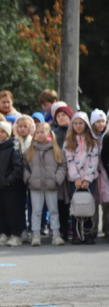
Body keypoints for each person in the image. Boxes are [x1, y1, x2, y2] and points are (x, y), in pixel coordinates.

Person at [23, 122, 67, 246]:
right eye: (38, 132)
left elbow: (62, 165)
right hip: (35, 185)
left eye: (42, 132)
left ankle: (56, 234)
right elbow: (24, 166)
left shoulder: (55, 149)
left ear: (48, 133)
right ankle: (36, 234)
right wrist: (29, 178)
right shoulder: (30, 150)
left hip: (51, 185)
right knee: (36, 211)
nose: (40, 134)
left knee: (53, 210)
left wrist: (57, 178)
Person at [63, 112, 98, 244]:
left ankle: (88, 234)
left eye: (81, 123)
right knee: (76, 207)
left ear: (86, 124)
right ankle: (77, 235)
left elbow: (93, 159)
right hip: (75, 181)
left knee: (88, 206)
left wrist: (87, 178)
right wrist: (76, 178)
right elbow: (69, 160)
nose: (78, 126)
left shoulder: (92, 141)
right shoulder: (68, 141)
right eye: (75, 123)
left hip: (89, 180)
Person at [0, 121, 24, 247]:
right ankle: (4, 234)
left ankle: (16, 235)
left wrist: (8, 181)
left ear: (8, 133)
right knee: (0, 212)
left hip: (11, 187)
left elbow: (18, 167)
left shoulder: (13, 147)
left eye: (2, 131)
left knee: (12, 212)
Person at [51, 105, 74, 240]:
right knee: (61, 203)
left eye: (63, 115)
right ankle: (63, 231)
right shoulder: (53, 132)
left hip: (75, 172)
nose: (60, 118)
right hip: (59, 171)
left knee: (76, 202)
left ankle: (78, 231)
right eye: (58, 116)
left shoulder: (75, 132)